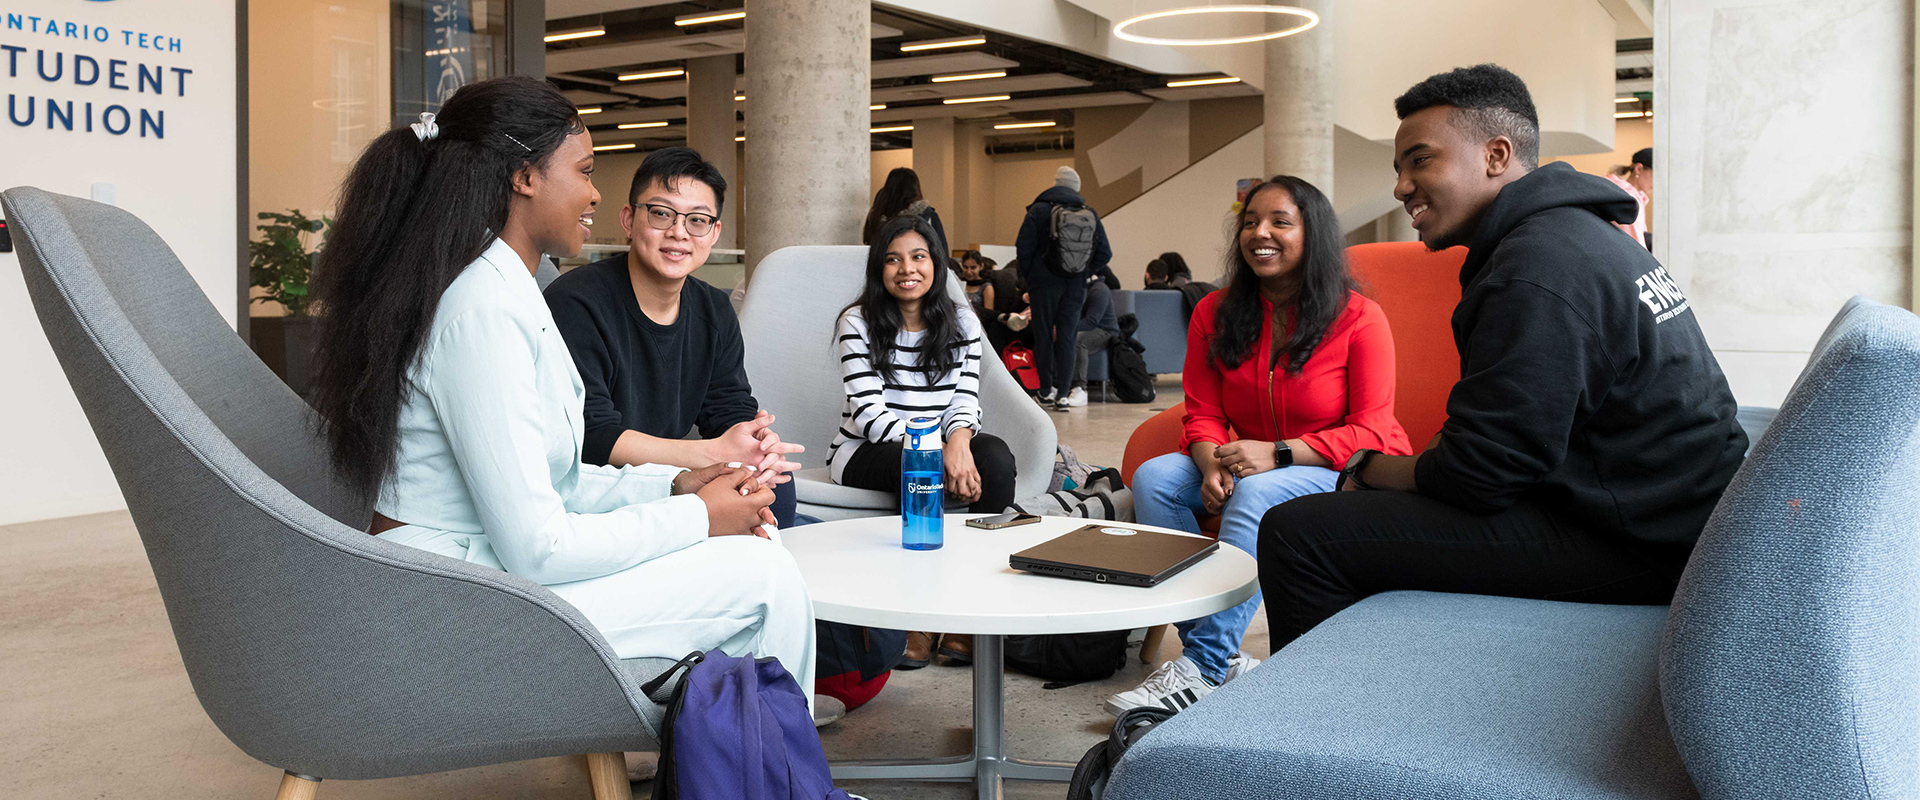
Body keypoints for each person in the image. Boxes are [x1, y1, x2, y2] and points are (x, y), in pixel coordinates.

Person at [305, 76, 820, 748]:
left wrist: (675, 485)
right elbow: (539, 547)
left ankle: (757, 775)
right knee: (765, 576)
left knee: (760, 550)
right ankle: (781, 780)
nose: (596, 195)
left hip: (483, 572)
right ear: (524, 177)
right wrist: (696, 515)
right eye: (583, 171)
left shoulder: (508, 289)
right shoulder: (483, 309)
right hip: (447, 601)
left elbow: (557, 479)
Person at [1257, 65, 1746, 654]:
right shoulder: (1582, 236)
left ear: (1495, 155)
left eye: (1420, 160)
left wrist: (1367, 467)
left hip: (1645, 543)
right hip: (1669, 512)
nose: (1401, 186)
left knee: (1298, 534)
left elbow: (1478, 475)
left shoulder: (1537, 266)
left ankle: (1314, 729)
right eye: (1398, 168)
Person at [1109, 175, 1412, 715]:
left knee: (1258, 494)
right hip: (1243, 457)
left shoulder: (1359, 317)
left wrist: (1277, 453)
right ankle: (1219, 656)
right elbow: (1202, 410)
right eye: (1250, 222)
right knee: (1155, 479)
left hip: (1339, 465)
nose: (1260, 233)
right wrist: (1207, 462)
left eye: (1280, 222)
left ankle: (1200, 665)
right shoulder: (1215, 312)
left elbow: (1373, 429)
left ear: (1311, 233)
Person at [545, 146, 804, 528]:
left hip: (674, 476)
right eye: (662, 213)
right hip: (596, 490)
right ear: (629, 219)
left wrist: (754, 445)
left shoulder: (714, 309)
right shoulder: (576, 302)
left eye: (697, 220)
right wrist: (712, 453)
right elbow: (591, 436)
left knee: (776, 494)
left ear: (714, 233)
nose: (679, 233)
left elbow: (728, 408)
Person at [831, 213, 1019, 669]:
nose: (906, 268)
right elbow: (872, 418)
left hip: (934, 441)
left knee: (995, 459)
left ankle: (968, 610)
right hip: (865, 450)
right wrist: (939, 453)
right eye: (893, 260)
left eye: (918, 256)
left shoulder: (963, 324)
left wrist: (959, 442)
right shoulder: (857, 322)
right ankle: (917, 614)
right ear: (879, 270)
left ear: (937, 264)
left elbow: (965, 400)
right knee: (915, 466)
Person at [1015, 165, 1112, 410]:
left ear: (1056, 184)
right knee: (1067, 337)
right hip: (1075, 285)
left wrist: (1033, 275)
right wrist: (1083, 273)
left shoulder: (1038, 210)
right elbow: (1105, 253)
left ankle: (1046, 391)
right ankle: (1064, 395)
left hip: (1043, 284)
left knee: (1044, 336)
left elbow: (1023, 248)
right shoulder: (1089, 213)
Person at [863, 166, 948, 254]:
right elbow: (942, 249)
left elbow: (867, 241)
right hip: (917, 265)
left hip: (882, 265)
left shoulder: (876, 216)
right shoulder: (927, 215)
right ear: (915, 188)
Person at [1065, 278, 1122, 407]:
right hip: (1087, 328)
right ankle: (1057, 385)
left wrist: (1065, 329)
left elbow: (1091, 322)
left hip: (1106, 331)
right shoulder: (1076, 288)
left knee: (1079, 341)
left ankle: (1080, 389)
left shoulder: (1099, 290)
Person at [1604, 147, 1653, 250]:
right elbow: (1636, 248)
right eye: (1656, 175)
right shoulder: (1629, 199)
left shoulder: (1614, 188)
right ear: (1639, 169)